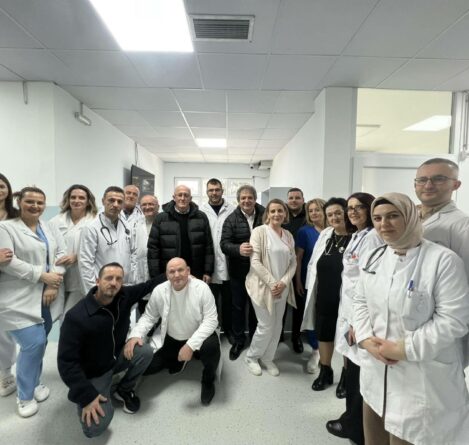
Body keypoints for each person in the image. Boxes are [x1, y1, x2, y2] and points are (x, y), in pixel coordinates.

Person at [354, 193, 469, 445]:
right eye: (377, 218)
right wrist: (365, 339)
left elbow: (453, 320)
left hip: (422, 377)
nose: (384, 224)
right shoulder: (374, 257)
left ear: (410, 216)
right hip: (376, 371)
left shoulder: (443, 260)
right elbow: (359, 300)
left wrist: (404, 349)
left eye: (393, 216)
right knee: (374, 435)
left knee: (409, 437)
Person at [58, 262, 158, 438]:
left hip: (116, 356)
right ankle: (92, 394)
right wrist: (86, 395)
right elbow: (66, 363)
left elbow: (148, 286)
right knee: (94, 428)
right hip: (95, 373)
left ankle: (123, 389)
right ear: (97, 281)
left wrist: (175, 274)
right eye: (109, 278)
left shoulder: (124, 295)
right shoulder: (77, 316)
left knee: (145, 351)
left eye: (118, 279)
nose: (114, 283)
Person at [0, 186, 66, 417]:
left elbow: (60, 255)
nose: (35, 206)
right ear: (19, 201)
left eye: (40, 202)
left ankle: (34, 382)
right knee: (33, 343)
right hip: (16, 297)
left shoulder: (47, 227)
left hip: (44, 296)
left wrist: (53, 281)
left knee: (41, 342)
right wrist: (42, 276)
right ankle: (25, 395)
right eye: (30, 201)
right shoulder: (6, 228)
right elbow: (7, 262)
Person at [326, 193, 382, 445]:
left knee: (359, 374)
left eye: (360, 207)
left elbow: (368, 283)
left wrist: (358, 323)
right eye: (350, 208)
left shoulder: (372, 238)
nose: (353, 212)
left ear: (370, 209)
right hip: (350, 313)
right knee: (353, 371)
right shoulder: (359, 235)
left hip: (359, 319)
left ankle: (356, 428)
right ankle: (351, 419)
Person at [125, 258, 220, 406]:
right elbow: (149, 317)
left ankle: (208, 380)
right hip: (173, 338)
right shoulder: (159, 290)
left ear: (188, 271)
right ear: (167, 275)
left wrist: (190, 346)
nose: (176, 275)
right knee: (149, 368)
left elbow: (211, 320)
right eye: (172, 271)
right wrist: (135, 335)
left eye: (180, 270)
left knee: (211, 348)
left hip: (199, 337)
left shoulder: (202, 288)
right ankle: (179, 360)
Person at [302, 197, 353, 391]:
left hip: (347, 297)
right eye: (330, 214)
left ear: (346, 213)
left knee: (347, 336)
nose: (334, 217)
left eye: (338, 213)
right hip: (324, 294)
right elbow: (313, 263)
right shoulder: (326, 234)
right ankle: (326, 370)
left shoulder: (357, 237)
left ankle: (347, 375)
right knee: (324, 334)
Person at [244, 199, 296, 376]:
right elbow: (255, 261)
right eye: (272, 211)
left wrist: (284, 283)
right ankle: (252, 357)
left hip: (282, 288)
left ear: (285, 214)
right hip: (262, 286)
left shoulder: (288, 235)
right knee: (266, 325)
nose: (276, 214)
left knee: (277, 325)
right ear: (267, 214)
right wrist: (273, 283)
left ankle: (268, 358)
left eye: (280, 210)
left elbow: (293, 262)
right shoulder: (259, 232)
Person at [220, 185, 264, 360]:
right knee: (238, 307)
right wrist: (238, 249)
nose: (246, 201)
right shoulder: (231, 219)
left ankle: (255, 340)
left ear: (255, 199)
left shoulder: (265, 215)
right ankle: (239, 341)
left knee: (256, 307)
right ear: (238, 200)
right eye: (243, 198)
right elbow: (224, 244)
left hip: (260, 272)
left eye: (250, 197)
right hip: (238, 272)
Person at [414, 158, 469, 278]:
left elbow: (466, 274)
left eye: (438, 179)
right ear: (415, 185)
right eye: (422, 180)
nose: (428, 186)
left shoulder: (464, 225)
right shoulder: (405, 218)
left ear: (456, 185)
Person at [147, 184, 214, 283]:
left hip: (196, 271)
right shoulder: (161, 218)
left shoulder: (201, 217)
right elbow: (153, 249)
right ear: (174, 197)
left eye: (186, 195)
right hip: (169, 273)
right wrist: (155, 276)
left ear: (190, 198)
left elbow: (208, 246)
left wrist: (208, 271)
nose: (182, 198)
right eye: (180, 195)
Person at [49, 184, 97, 317]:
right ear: (68, 199)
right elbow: (49, 247)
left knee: (72, 315)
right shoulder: (55, 222)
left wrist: (78, 256)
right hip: (59, 273)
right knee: (57, 315)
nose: (77, 201)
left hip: (82, 275)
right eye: (73, 197)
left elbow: (100, 249)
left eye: (81, 198)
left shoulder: (95, 221)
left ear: (88, 201)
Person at [79, 186, 135, 293]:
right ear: (103, 201)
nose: (115, 204)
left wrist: (132, 283)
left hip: (124, 285)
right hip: (102, 288)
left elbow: (133, 256)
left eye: (119, 201)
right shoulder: (91, 228)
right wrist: (92, 291)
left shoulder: (127, 227)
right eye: (111, 200)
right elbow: (85, 263)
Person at [200, 178, 235, 342]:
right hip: (209, 265)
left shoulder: (232, 210)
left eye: (217, 190)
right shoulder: (201, 211)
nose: (214, 193)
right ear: (207, 192)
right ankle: (212, 332)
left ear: (222, 191)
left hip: (228, 264)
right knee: (210, 303)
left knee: (229, 302)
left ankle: (228, 330)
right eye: (211, 190)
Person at [295, 198, 326, 373]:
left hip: (331, 281)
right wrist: (298, 280)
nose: (314, 213)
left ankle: (326, 347)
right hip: (310, 280)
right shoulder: (304, 232)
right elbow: (298, 258)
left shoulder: (334, 230)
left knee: (327, 315)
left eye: (317, 210)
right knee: (311, 314)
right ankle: (315, 350)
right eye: (311, 210)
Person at [0, 173, 19, 398]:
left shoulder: (16, 216)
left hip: (13, 279)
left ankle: (6, 372)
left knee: (6, 329)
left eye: (2, 186)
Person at [281, 188, 306, 352]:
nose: (294, 200)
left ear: (303, 199)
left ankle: (296, 337)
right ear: (287, 200)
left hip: (301, 266)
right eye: (291, 198)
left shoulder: (308, 217)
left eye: (297, 198)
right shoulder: (282, 216)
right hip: (282, 266)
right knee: (280, 304)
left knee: (298, 305)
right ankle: (279, 335)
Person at [134, 194, 160, 315]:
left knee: (160, 304)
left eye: (151, 204)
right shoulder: (136, 224)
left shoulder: (164, 221)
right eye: (144, 204)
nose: (147, 207)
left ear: (158, 206)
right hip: (141, 270)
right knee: (143, 306)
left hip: (159, 269)